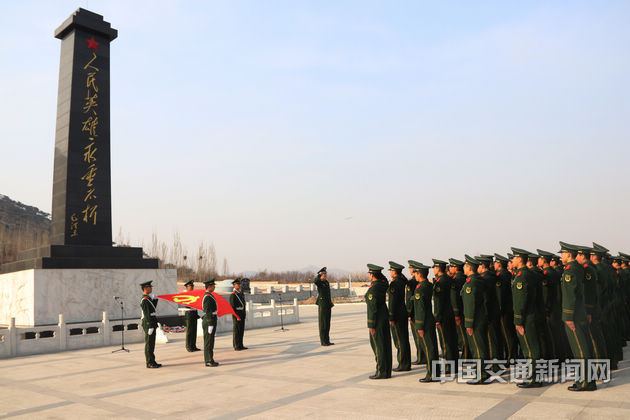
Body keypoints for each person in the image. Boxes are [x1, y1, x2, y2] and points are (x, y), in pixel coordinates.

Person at [559, 242, 596, 391]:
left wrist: (568, 317)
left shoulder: (571, 270)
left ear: (569, 254)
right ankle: (583, 379)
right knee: (582, 347)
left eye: (562, 253)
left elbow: (570, 295)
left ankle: (586, 382)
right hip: (580, 312)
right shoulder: (578, 268)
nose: (561, 256)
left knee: (581, 349)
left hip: (574, 315)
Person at [511, 247, 542, 388]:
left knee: (530, 349)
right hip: (532, 314)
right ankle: (534, 376)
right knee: (532, 348)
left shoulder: (522, 276)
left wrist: (518, 320)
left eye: (514, 258)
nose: (512, 260)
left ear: (519, 259)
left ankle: (534, 378)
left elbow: (520, 300)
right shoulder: (529, 274)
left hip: (526, 317)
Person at [461, 255, 489, 384]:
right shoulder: (479, 280)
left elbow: (470, 305)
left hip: (475, 320)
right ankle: (482, 372)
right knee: (481, 346)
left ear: (469, 268)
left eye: (465, 266)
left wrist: (469, 323)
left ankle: (481, 375)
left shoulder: (471, 283)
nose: (463, 268)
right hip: (480, 318)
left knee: (478, 348)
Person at [410, 260, 439, 382]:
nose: (414, 275)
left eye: (415, 273)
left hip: (424, 322)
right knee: (432, 347)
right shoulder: (427, 285)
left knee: (428, 348)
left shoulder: (420, 289)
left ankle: (432, 374)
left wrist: (420, 326)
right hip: (429, 320)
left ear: (419, 274)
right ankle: (435, 372)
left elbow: (420, 309)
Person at [365, 264, 392, 379]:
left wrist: (371, 324)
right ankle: (387, 370)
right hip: (384, 317)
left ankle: (381, 371)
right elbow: (385, 280)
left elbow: (372, 308)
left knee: (378, 346)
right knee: (385, 345)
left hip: (377, 320)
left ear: (372, 275)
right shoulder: (383, 284)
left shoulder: (374, 288)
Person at [432, 258, 458, 374]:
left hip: (443, 315)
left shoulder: (440, 282)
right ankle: (454, 365)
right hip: (450, 313)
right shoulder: (448, 279)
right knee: (452, 340)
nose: (433, 270)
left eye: (434, 267)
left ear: (438, 268)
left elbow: (438, 301)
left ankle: (449, 367)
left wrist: (437, 317)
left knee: (445, 342)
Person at [494, 253, 519, 362]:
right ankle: (512, 355)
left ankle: (511, 357)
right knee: (509, 333)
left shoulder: (501, 276)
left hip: (504, 309)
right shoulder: (507, 274)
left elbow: (500, 295)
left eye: (495, 263)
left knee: (507, 334)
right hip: (508, 308)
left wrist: (499, 310)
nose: (494, 265)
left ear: (499, 264)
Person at [449, 258, 470, 359]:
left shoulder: (456, 280)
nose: (450, 268)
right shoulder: (464, 278)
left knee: (462, 335)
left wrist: (456, 313)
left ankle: (466, 356)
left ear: (456, 268)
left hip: (459, 310)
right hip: (464, 309)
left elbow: (454, 297)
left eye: (451, 266)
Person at [140, 281, 162, 368]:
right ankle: (149, 362)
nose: (151, 288)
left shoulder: (148, 298)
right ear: (145, 288)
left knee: (152, 343)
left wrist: (155, 300)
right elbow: (147, 313)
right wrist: (149, 325)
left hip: (152, 322)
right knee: (149, 344)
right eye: (149, 287)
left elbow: (152, 309)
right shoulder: (144, 300)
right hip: (148, 323)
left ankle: (152, 361)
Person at [314, 267, 334, 346]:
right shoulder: (319, 282)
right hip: (322, 304)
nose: (325, 275)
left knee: (327, 323)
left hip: (328, 304)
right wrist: (319, 275)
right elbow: (315, 281)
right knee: (323, 323)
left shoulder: (326, 282)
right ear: (321, 274)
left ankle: (327, 340)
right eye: (324, 274)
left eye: (326, 274)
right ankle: (323, 341)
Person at [202, 279, 219, 367]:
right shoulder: (207, 297)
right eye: (213, 286)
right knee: (208, 341)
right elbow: (207, 310)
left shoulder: (210, 295)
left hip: (212, 318)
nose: (214, 287)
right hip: (209, 321)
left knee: (211, 341)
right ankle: (208, 360)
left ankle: (210, 359)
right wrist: (210, 324)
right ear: (209, 287)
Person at [183, 280, 200, 352]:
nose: (192, 287)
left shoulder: (194, 295)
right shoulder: (185, 295)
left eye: (192, 286)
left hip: (194, 314)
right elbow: (187, 305)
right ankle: (188, 346)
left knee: (194, 330)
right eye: (191, 286)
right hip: (189, 314)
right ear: (187, 287)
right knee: (189, 331)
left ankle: (193, 345)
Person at [230, 278, 248, 350]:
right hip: (237, 314)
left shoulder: (240, 294)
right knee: (236, 330)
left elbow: (243, 305)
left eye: (239, 284)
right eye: (237, 284)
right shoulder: (233, 295)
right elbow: (232, 307)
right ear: (234, 285)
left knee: (241, 330)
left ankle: (241, 344)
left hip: (241, 314)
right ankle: (236, 345)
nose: (239, 285)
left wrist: (244, 314)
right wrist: (236, 315)